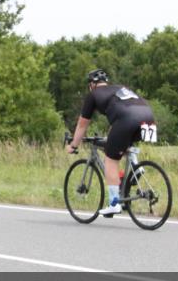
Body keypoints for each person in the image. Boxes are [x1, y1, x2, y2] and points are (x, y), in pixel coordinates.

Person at [66, 69, 156, 217]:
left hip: (128, 119)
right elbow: (118, 120)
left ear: (92, 85)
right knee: (120, 145)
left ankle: (114, 204)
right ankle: (135, 167)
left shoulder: (94, 94)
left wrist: (73, 145)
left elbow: (82, 125)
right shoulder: (120, 88)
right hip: (148, 118)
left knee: (110, 160)